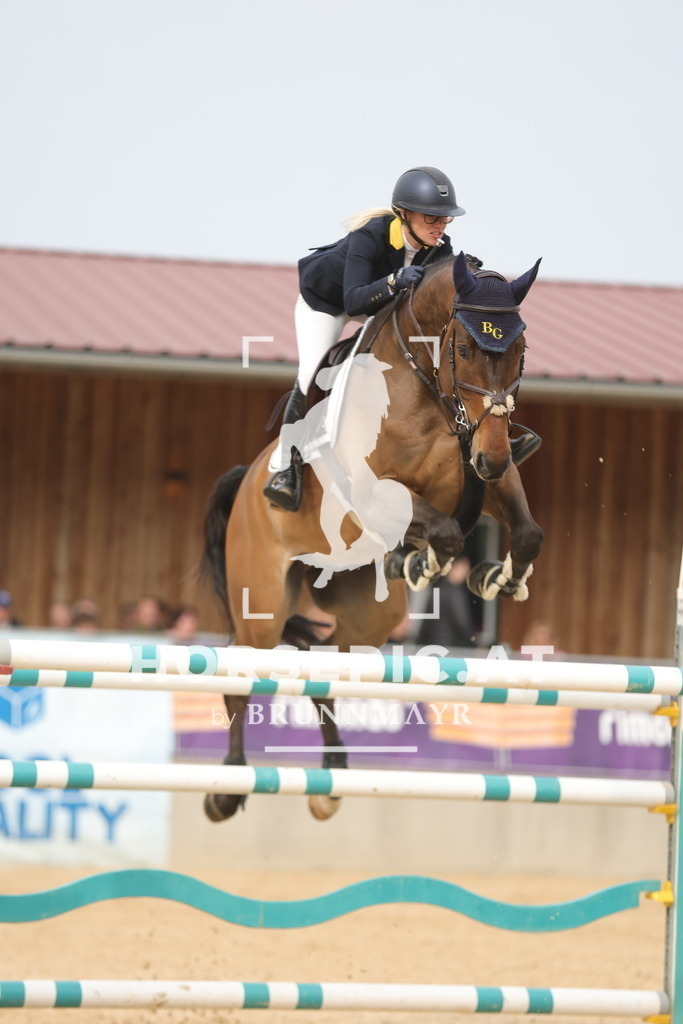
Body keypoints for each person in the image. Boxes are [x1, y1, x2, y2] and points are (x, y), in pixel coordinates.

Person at [264, 165, 540, 513]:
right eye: (431, 218)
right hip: (328, 303)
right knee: (311, 374)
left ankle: (481, 434)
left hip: (379, 305)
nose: (440, 227)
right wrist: (394, 281)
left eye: (445, 220)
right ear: (405, 215)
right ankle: (285, 466)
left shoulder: (441, 248)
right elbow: (354, 301)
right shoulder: (370, 237)